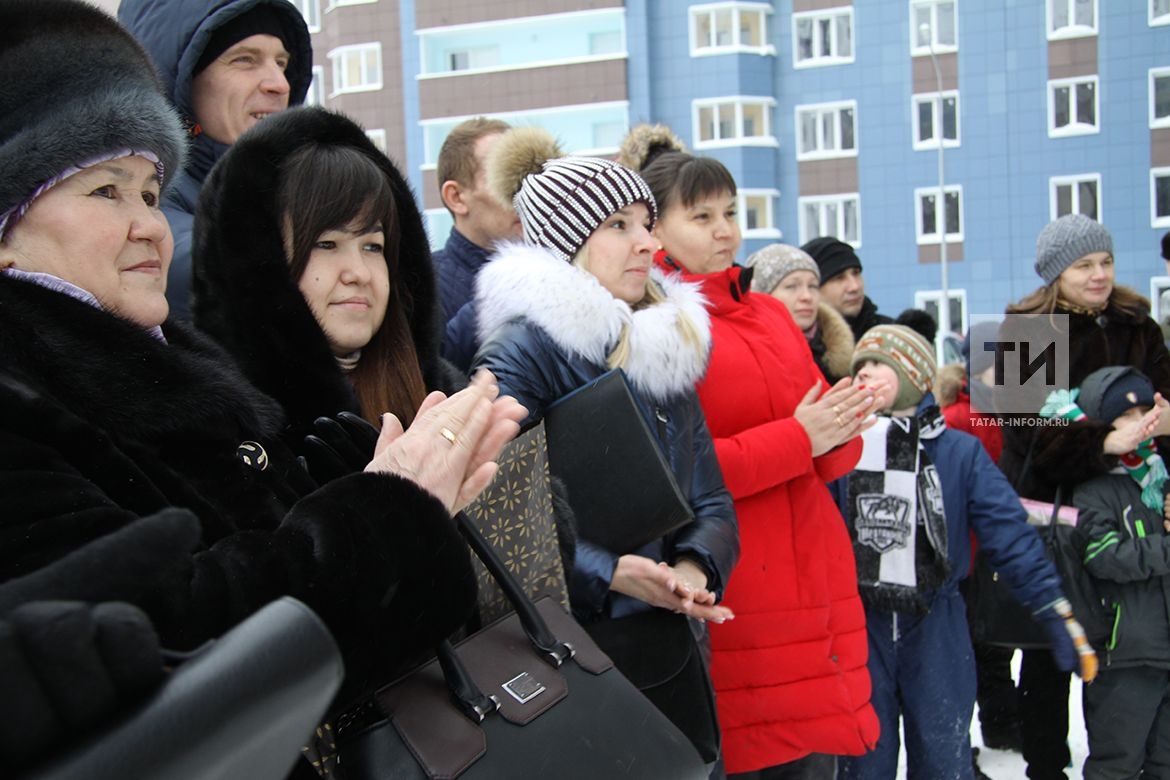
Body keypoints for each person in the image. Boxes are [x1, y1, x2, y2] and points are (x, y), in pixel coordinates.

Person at [0, 7, 524, 778]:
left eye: (150, 193)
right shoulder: (22, 403)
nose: (151, 226)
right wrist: (383, 512)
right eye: (107, 191)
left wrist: (342, 489)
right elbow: (167, 653)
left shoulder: (173, 367)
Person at [626, 124, 881, 778]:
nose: (725, 230)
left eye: (731, 213)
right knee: (750, 755)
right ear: (655, 229)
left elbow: (825, 446)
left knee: (814, 758)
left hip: (815, 573)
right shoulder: (654, 324)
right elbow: (675, 473)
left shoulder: (769, 313)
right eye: (702, 216)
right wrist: (801, 438)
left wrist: (845, 421)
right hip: (737, 578)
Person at [830, 325, 1097, 780]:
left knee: (943, 752)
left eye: (880, 364)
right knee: (863, 756)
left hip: (937, 620)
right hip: (860, 622)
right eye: (860, 367)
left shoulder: (958, 452)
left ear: (915, 376)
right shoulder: (840, 451)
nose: (865, 374)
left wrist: (1052, 607)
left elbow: (1010, 534)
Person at [999, 213, 1170, 780]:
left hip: (1134, 509)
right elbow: (1023, 436)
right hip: (1054, 512)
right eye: (1083, 266)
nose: (1099, 275)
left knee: (1132, 646)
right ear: (1055, 273)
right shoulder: (1024, 331)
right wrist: (1103, 442)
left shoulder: (1138, 324)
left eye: (1106, 262)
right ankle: (1045, 765)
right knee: (1049, 650)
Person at [191, 105, 460, 445]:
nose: (359, 273)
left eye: (373, 246)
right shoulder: (219, 424)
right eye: (327, 244)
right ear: (264, 264)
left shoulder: (443, 398)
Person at [118, 0, 312, 319]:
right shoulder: (144, 197)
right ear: (179, 78)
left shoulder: (300, 187)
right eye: (245, 60)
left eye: (281, 63)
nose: (280, 84)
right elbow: (212, 266)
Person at [1072, 366, 1170, 780]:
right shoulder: (1093, 486)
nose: (1140, 422)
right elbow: (1104, 556)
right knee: (1117, 764)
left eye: (1146, 412)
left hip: (1164, 649)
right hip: (1124, 653)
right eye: (1126, 415)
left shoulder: (1160, 477)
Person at [431, 116, 521, 325]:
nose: (526, 194)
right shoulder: (422, 288)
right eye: (506, 179)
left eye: (529, 177)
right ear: (456, 197)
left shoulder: (558, 269)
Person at [746, 242, 855, 384]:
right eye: (791, 286)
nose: (807, 296)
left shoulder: (847, 362)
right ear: (761, 295)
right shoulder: (746, 358)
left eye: (813, 286)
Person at [802, 236, 893, 342]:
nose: (854, 287)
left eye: (856, 273)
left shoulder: (890, 337)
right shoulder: (798, 345)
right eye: (839, 277)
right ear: (814, 289)